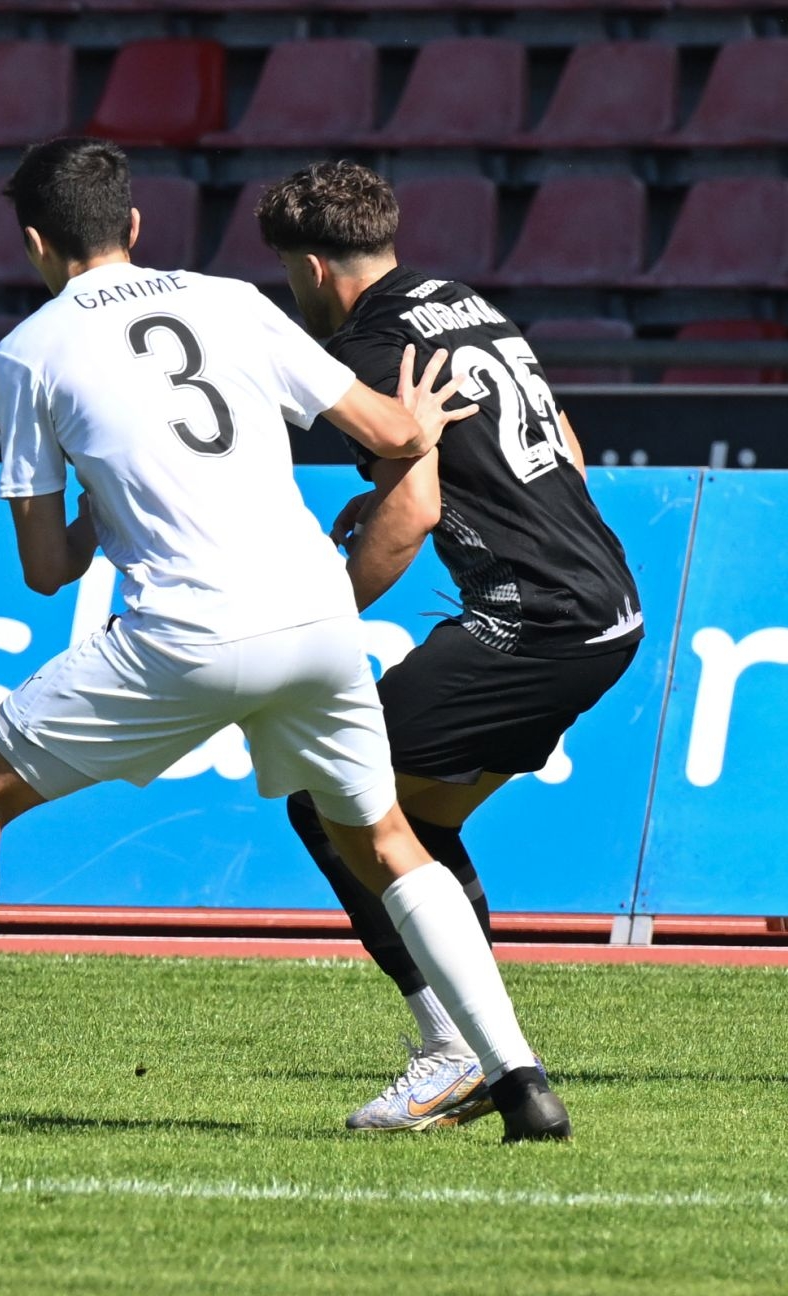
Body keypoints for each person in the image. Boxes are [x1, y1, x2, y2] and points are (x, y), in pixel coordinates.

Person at [0, 138, 571, 1145]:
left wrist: (108, 503)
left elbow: (47, 568)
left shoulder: (27, 352)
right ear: (137, 227)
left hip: (186, 626)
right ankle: (522, 1080)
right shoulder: (234, 300)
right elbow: (395, 435)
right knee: (385, 840)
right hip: (319, 617)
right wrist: (412, 422)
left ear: (33, 242)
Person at [256, 161, 642, 1131]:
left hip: (532, 621)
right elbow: (560, 438)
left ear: (311, 269)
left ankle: (455, 1051)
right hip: (607, 605)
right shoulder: (461, 302)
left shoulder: (370, 348)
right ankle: (486, 1053)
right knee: (412, 824)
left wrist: (321, 615)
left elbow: (419, 503)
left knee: (328, 799)